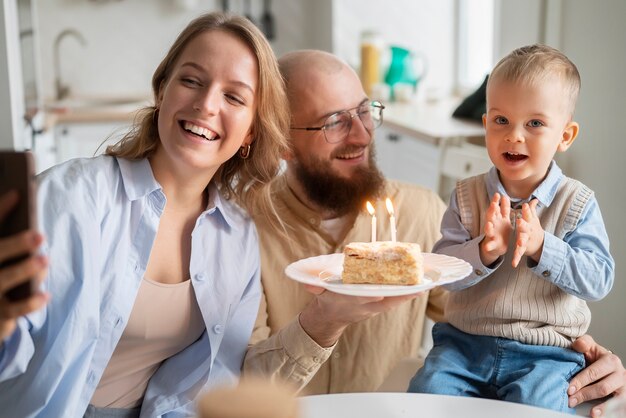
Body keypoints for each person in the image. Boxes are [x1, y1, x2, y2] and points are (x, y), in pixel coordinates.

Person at [242, 49, 626, 417]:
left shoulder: (420, 211)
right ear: (282, 141)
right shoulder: (242, 232)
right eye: (334, 122)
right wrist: (322, 320)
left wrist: (582, 351)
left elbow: (492, 306)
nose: (362, 135)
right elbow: (238, 385)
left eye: (364, 111)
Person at [0, 12, 289, 417]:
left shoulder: (237, 236)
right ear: (162, 91)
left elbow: (206, 380)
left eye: (234, 97)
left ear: (251, 132)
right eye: (191, 80)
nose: (206, 105)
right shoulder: (72, 196)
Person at [408, 44, 615, 414]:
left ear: (565, 136)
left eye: (534, 123)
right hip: (462, 347)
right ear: (486, 125)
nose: (514, 136)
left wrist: (542, 247)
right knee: (426, 394)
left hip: (546, 356)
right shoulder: (466, 195)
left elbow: (598, 280)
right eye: (502, 121)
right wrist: (485, 251)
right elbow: (440, 272)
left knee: (540, 407)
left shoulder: (577, 202)